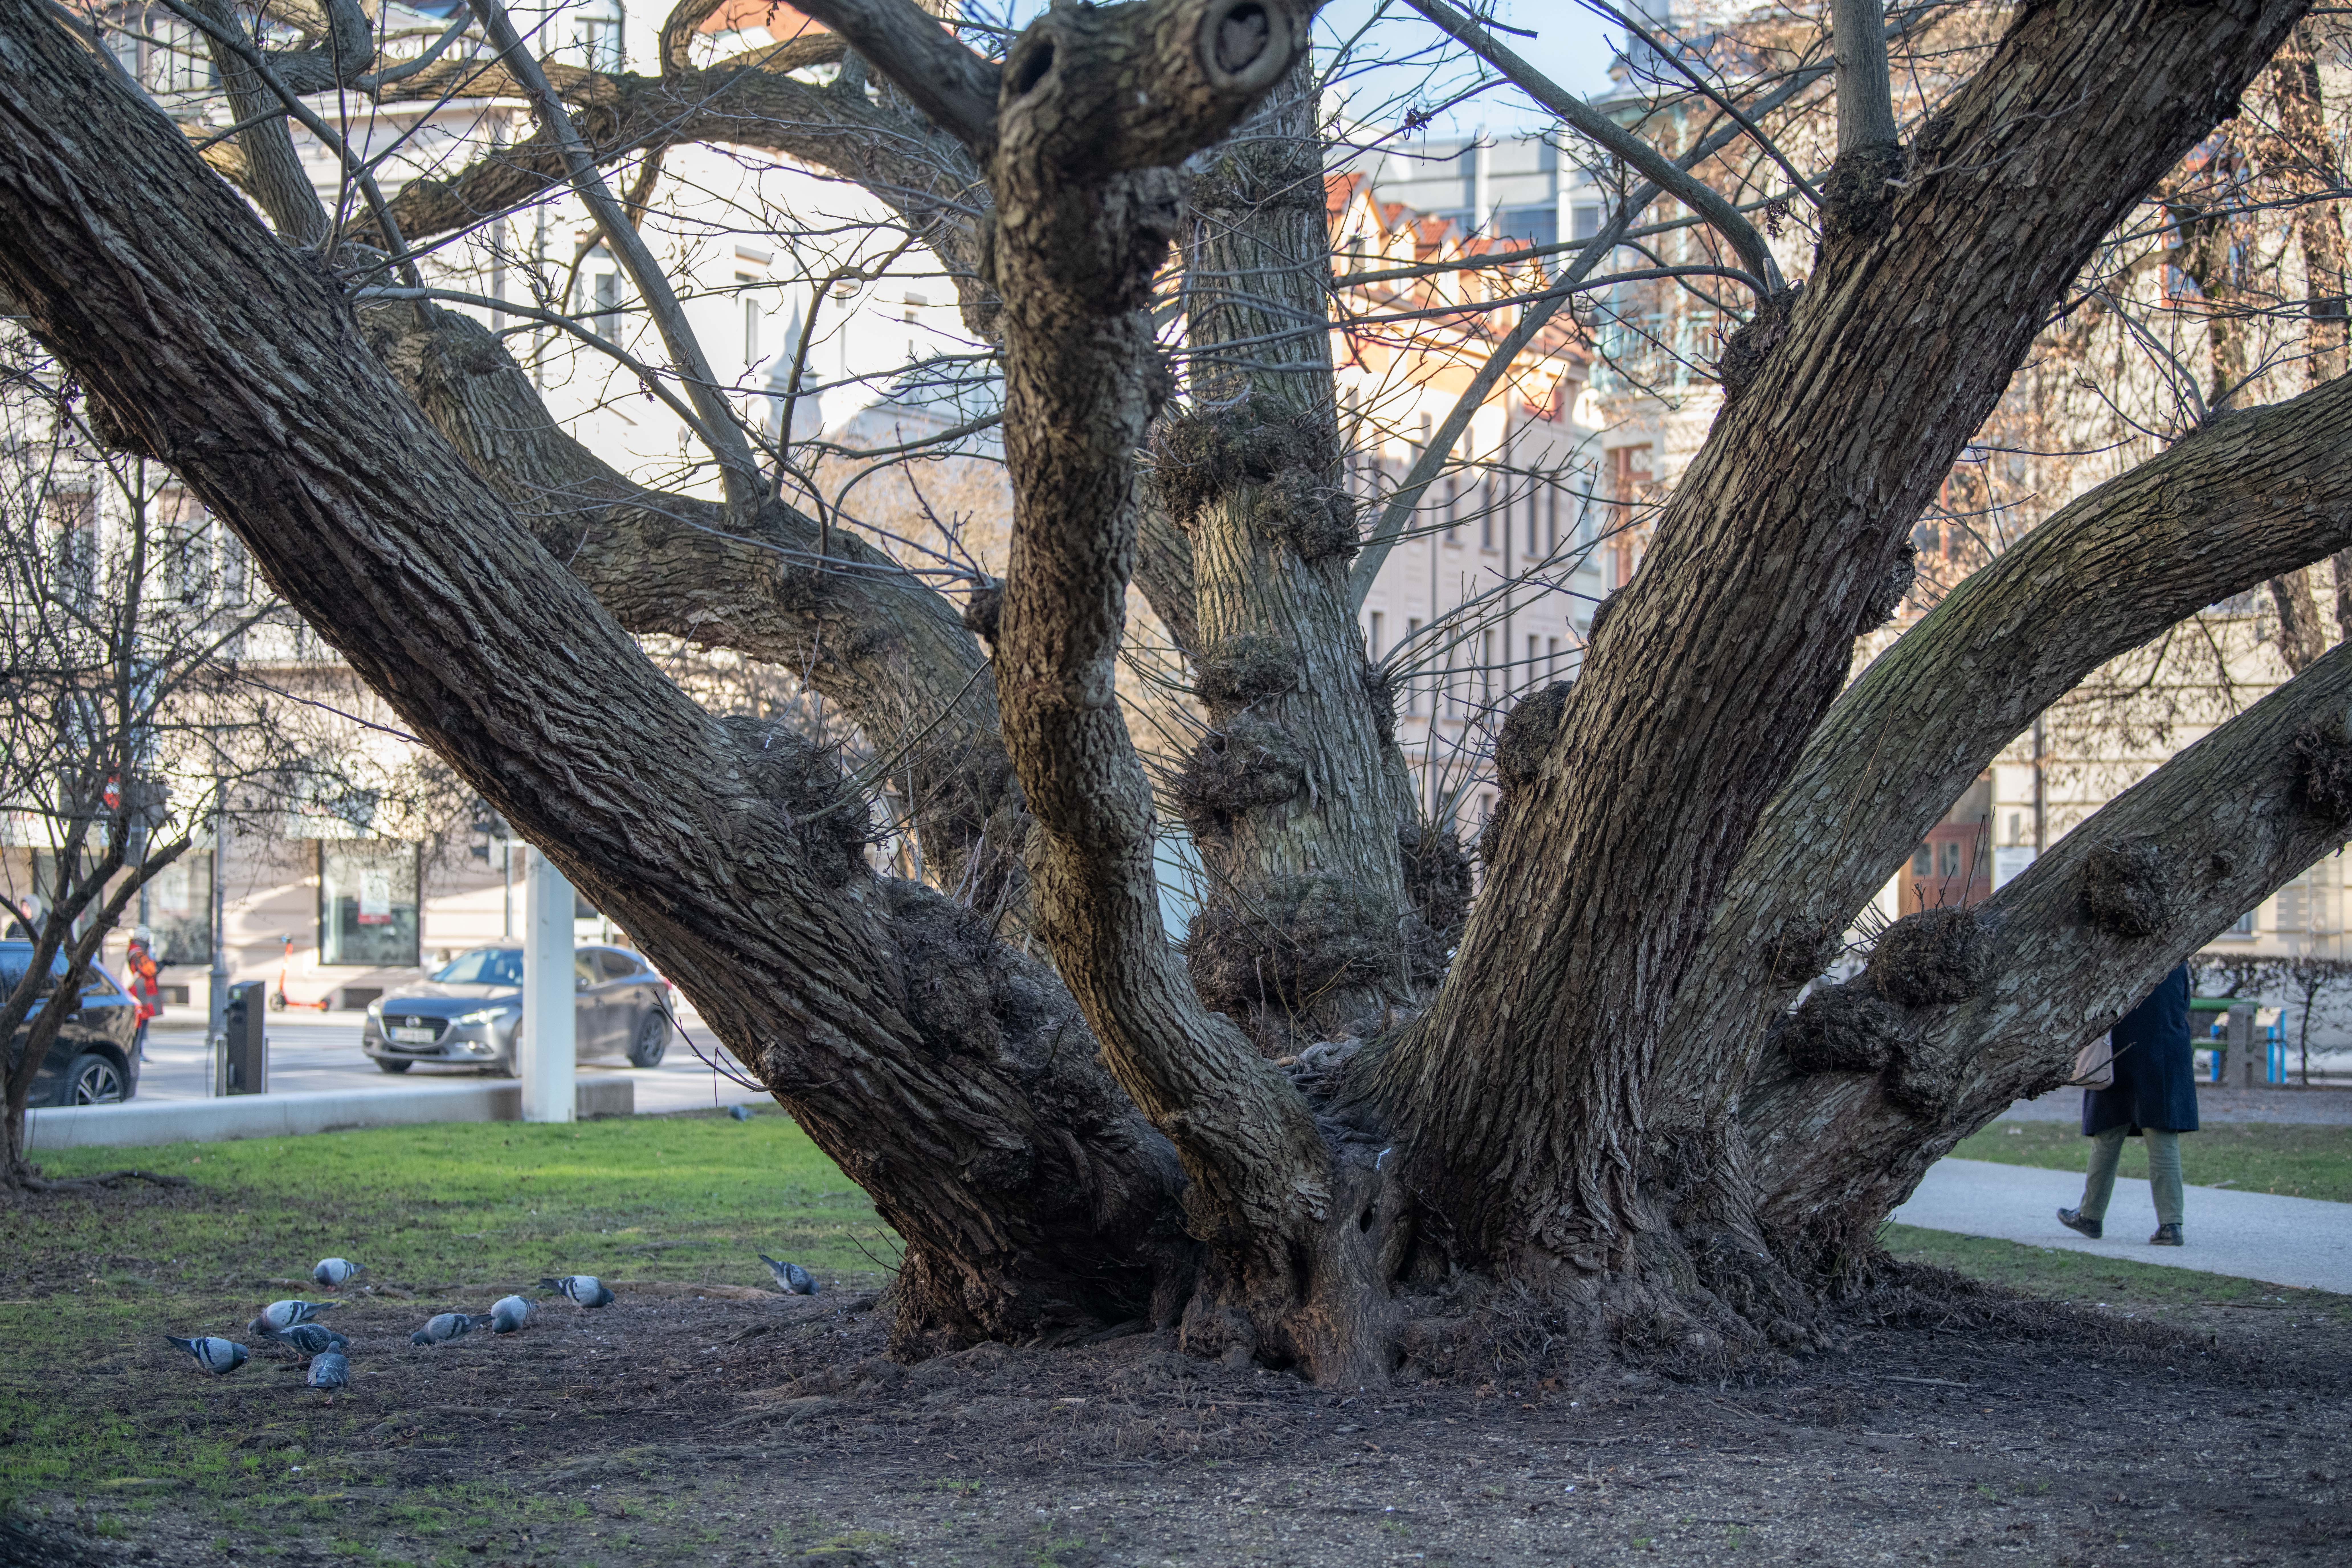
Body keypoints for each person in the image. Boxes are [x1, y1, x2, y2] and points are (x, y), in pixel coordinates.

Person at [2059, 963, 2196, 1246]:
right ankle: (2171, 1225)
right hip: (2166, 1052)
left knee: (2107, 1133)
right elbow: (2184, 1002)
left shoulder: (2118, 959)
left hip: (2118, 1053)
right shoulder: (2177, 959)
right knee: (2162, 1137)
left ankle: (2090, 1215)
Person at [124, 925, 163, 1026]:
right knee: (140, 1024)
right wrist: (160, 965)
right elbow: (150, 970)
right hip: (140, 991)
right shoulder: (138, 953)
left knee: (140, 1022)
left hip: (138, 990)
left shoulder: (135, 950)